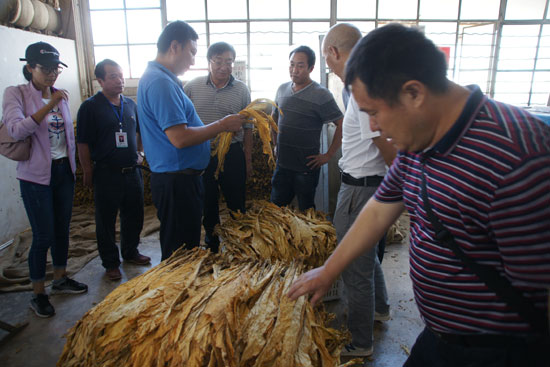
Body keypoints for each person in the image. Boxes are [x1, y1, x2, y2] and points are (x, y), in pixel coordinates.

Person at [289, 23, 550, 366]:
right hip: (438, 336)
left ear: (414, 93)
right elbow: (382, 205)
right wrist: (329, 269)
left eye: (374, 112)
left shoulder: (516, 158)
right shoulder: (420, 137)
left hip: (493, 350)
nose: (374, 127)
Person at [137, 21, 246, 260]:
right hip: (176, 181)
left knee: (184, 245)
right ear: (175, 46)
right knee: (179, 252)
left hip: (181, 179)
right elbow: (180, 138)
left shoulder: (165, 80)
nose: (193, 61)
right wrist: (222, 125)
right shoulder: (161, 83)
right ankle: (175, 292)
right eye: (192, 52)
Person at [322, 23, 397, 357]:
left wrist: (401, 191)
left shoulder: (362, 87)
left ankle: (361, 341)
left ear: (334, 52)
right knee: (367, 257)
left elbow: (386, 147)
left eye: (329, 63)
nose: (332, 70)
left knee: (354, 264)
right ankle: (379, 309)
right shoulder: (362, 84)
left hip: (360, 189)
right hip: (367, 184)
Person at [2, 42, 88, 318]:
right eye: (46, 69)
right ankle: (38, 292)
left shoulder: (58, 95)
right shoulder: (16, 94)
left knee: (62, 229)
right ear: (30, 68)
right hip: (36, 177)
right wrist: (49, 103)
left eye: (56, 69)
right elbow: (16, 130)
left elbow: (66, 136)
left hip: (63, 171)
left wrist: (77, 167)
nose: (52, 74)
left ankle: (60, 277)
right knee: (43, 235)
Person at [76, 59, 151, 281]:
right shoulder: (90, 107)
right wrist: (87, 170)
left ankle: (130, 252)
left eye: (121, 76)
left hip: (132, 171)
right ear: (100, 80)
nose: (120, 81)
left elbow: (139, 132)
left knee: (135, 214)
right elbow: (82, 143)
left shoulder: (130, 104)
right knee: (106, 220)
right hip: (106, 173)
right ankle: (110, 262)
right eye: (113, 77)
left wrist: (141, 153)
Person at [184, 42, 252, 252]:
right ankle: (212, 240)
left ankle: (239, 241)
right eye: (218, 61)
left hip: (232, 152)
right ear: (209, 62)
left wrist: (247, 160)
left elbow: (248, 128)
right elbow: (183, 123)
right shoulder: (192, 87)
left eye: (229, 62)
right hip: (202, 152)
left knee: (236, 199)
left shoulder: (241, 89)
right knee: (208, 199)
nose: (224, 66)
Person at [271, 45, 344, 211]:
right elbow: (274, 118)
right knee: (276, 211)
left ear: (311, 68)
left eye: (300, 65)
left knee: (306, 213)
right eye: (292, 64)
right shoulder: (282, 90)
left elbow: (341, 123)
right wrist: (275, 144)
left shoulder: (321, 94)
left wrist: (328, 155)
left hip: (305, 170)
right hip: (282, 166)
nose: (294, 70)